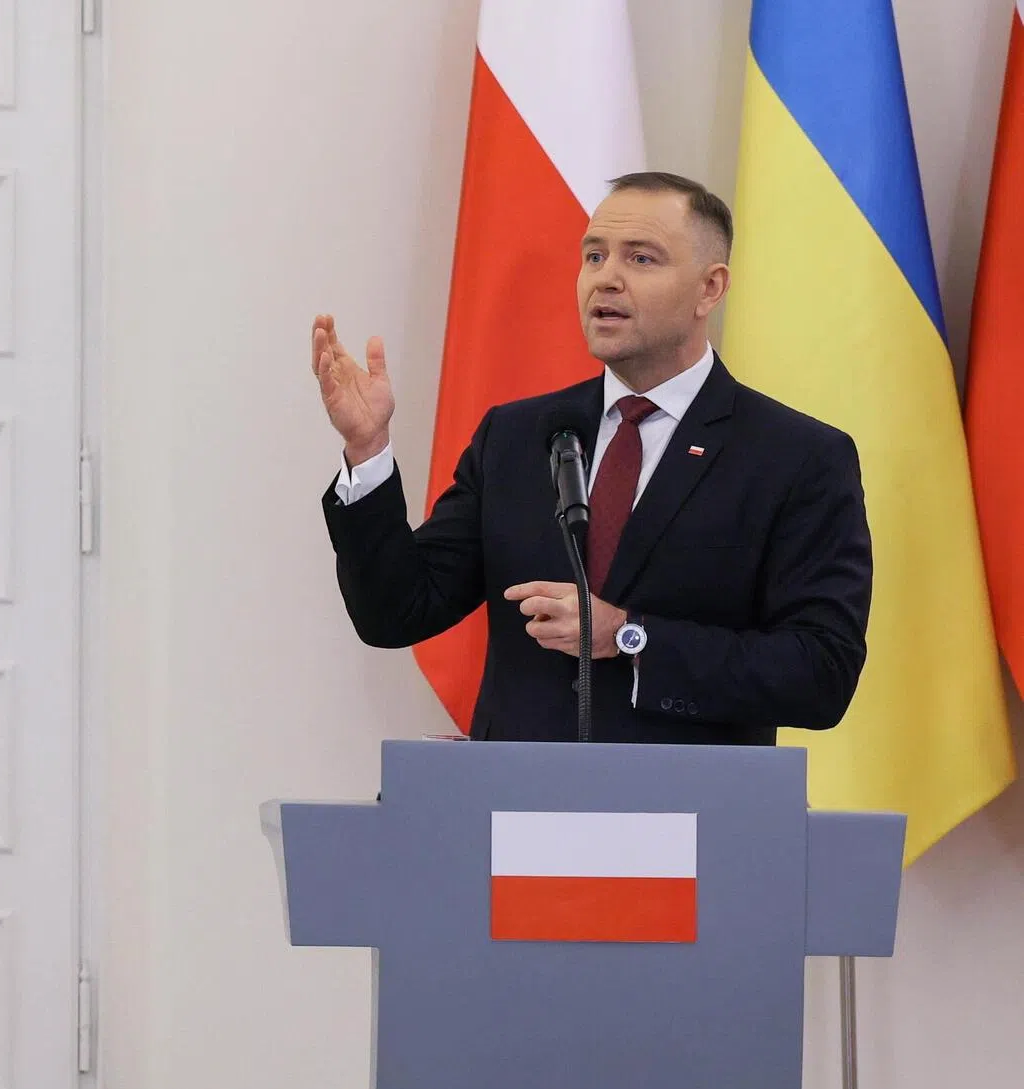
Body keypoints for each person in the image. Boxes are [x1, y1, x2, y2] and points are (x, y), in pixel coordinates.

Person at [312, 172, 872, 746]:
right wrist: (368, 449)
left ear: (710, 288)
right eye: (594, 256)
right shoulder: (517, 435)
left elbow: (821, 671)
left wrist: (630, 636)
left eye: (642, 259)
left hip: (687, 821)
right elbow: (397, 612)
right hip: (516, 814)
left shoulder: (796, 457)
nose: (606, 279)